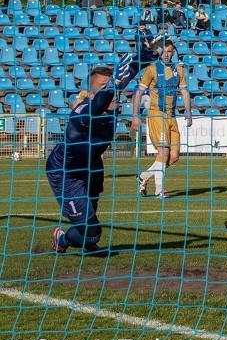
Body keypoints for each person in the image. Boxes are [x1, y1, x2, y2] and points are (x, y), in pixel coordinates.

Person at [49, 52, 158, 254]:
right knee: (93, 232)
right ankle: (62, 238)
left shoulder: (110, 110)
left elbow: (118, 86)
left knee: (93, 208)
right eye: (103, 88)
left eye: (111, 87)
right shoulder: (84, 110)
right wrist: (112, 86)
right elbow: (100, 101)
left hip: (92, 164)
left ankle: (86, 243)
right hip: (66, 172)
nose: (111, 92)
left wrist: (143, 58)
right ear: (92, 93)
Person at [131, 40, 192, 199]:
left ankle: (143, 176)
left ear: (173, 52)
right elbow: (138, 92)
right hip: (157, 114)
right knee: (163, 152)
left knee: (174, 156)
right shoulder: (151, 69)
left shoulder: (179, 70)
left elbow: (185, 92)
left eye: (170, 51)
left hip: (172, 117)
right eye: (164, 51)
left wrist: (188, 112)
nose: (167, 54)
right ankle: (159, 190)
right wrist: (135, 116)